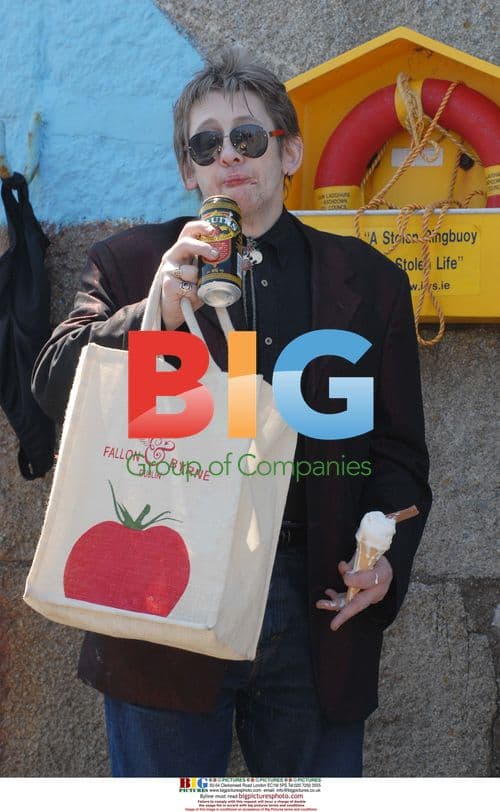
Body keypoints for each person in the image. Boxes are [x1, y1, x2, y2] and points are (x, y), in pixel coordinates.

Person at [32, 48, 432, 778]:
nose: (228, 156)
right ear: (188, 171)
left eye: (248, 137)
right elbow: (52, 384)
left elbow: (398, 454)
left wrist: (385, 564)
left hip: (315, 593)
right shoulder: (130, 263)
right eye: (206, 144)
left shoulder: (369, 282)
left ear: (290, 153)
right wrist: (150, 315)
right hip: (165, 589)